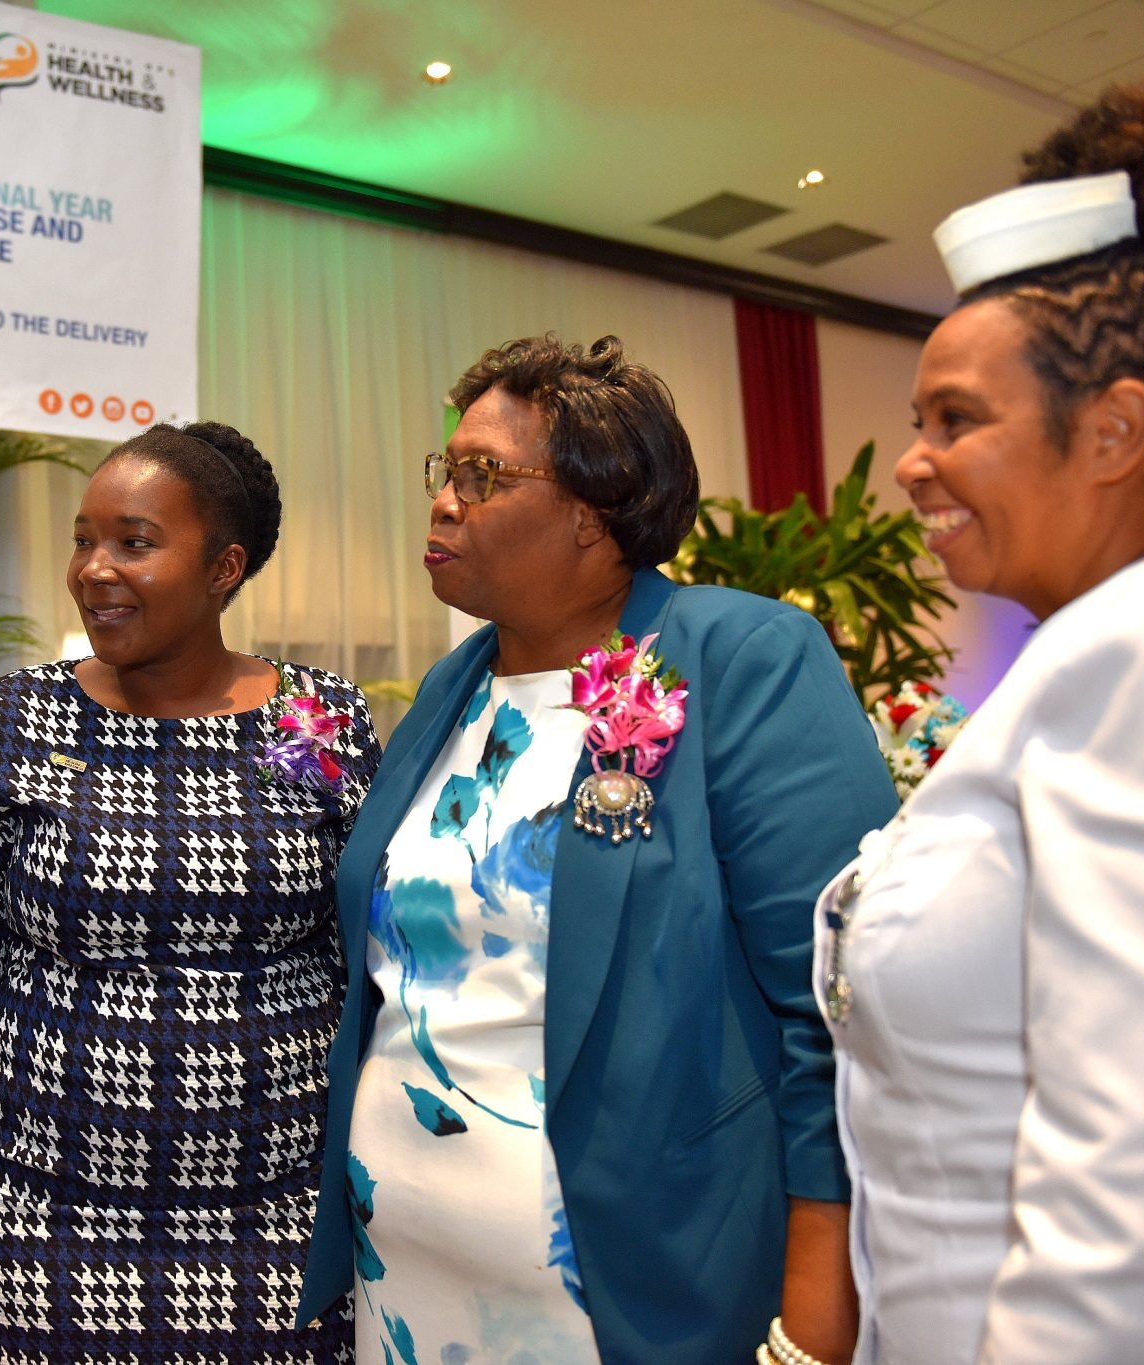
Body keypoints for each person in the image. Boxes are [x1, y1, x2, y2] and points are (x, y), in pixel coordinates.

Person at [820, 67, 1144, 1363]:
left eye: (957, 421)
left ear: (1115, 432)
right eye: (917, 421)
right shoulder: (1085, 660)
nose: (913, 461)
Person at [298, 335, 898, 1364]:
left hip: (626, 1293)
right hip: (407, 1278)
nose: (443, 500)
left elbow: (837, 1000)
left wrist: (817, 1301)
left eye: (481, 475)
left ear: (592, 512)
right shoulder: (455, 691)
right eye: (445, 471)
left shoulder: (738, 659)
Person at [0, 422, 382, 1363]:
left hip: (281, 1231)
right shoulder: (16, 719)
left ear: (225, 566)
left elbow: (374, 971)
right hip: (37, 1230)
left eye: (134, 542)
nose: (94, 568)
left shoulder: (319, 720)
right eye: (82, 538)